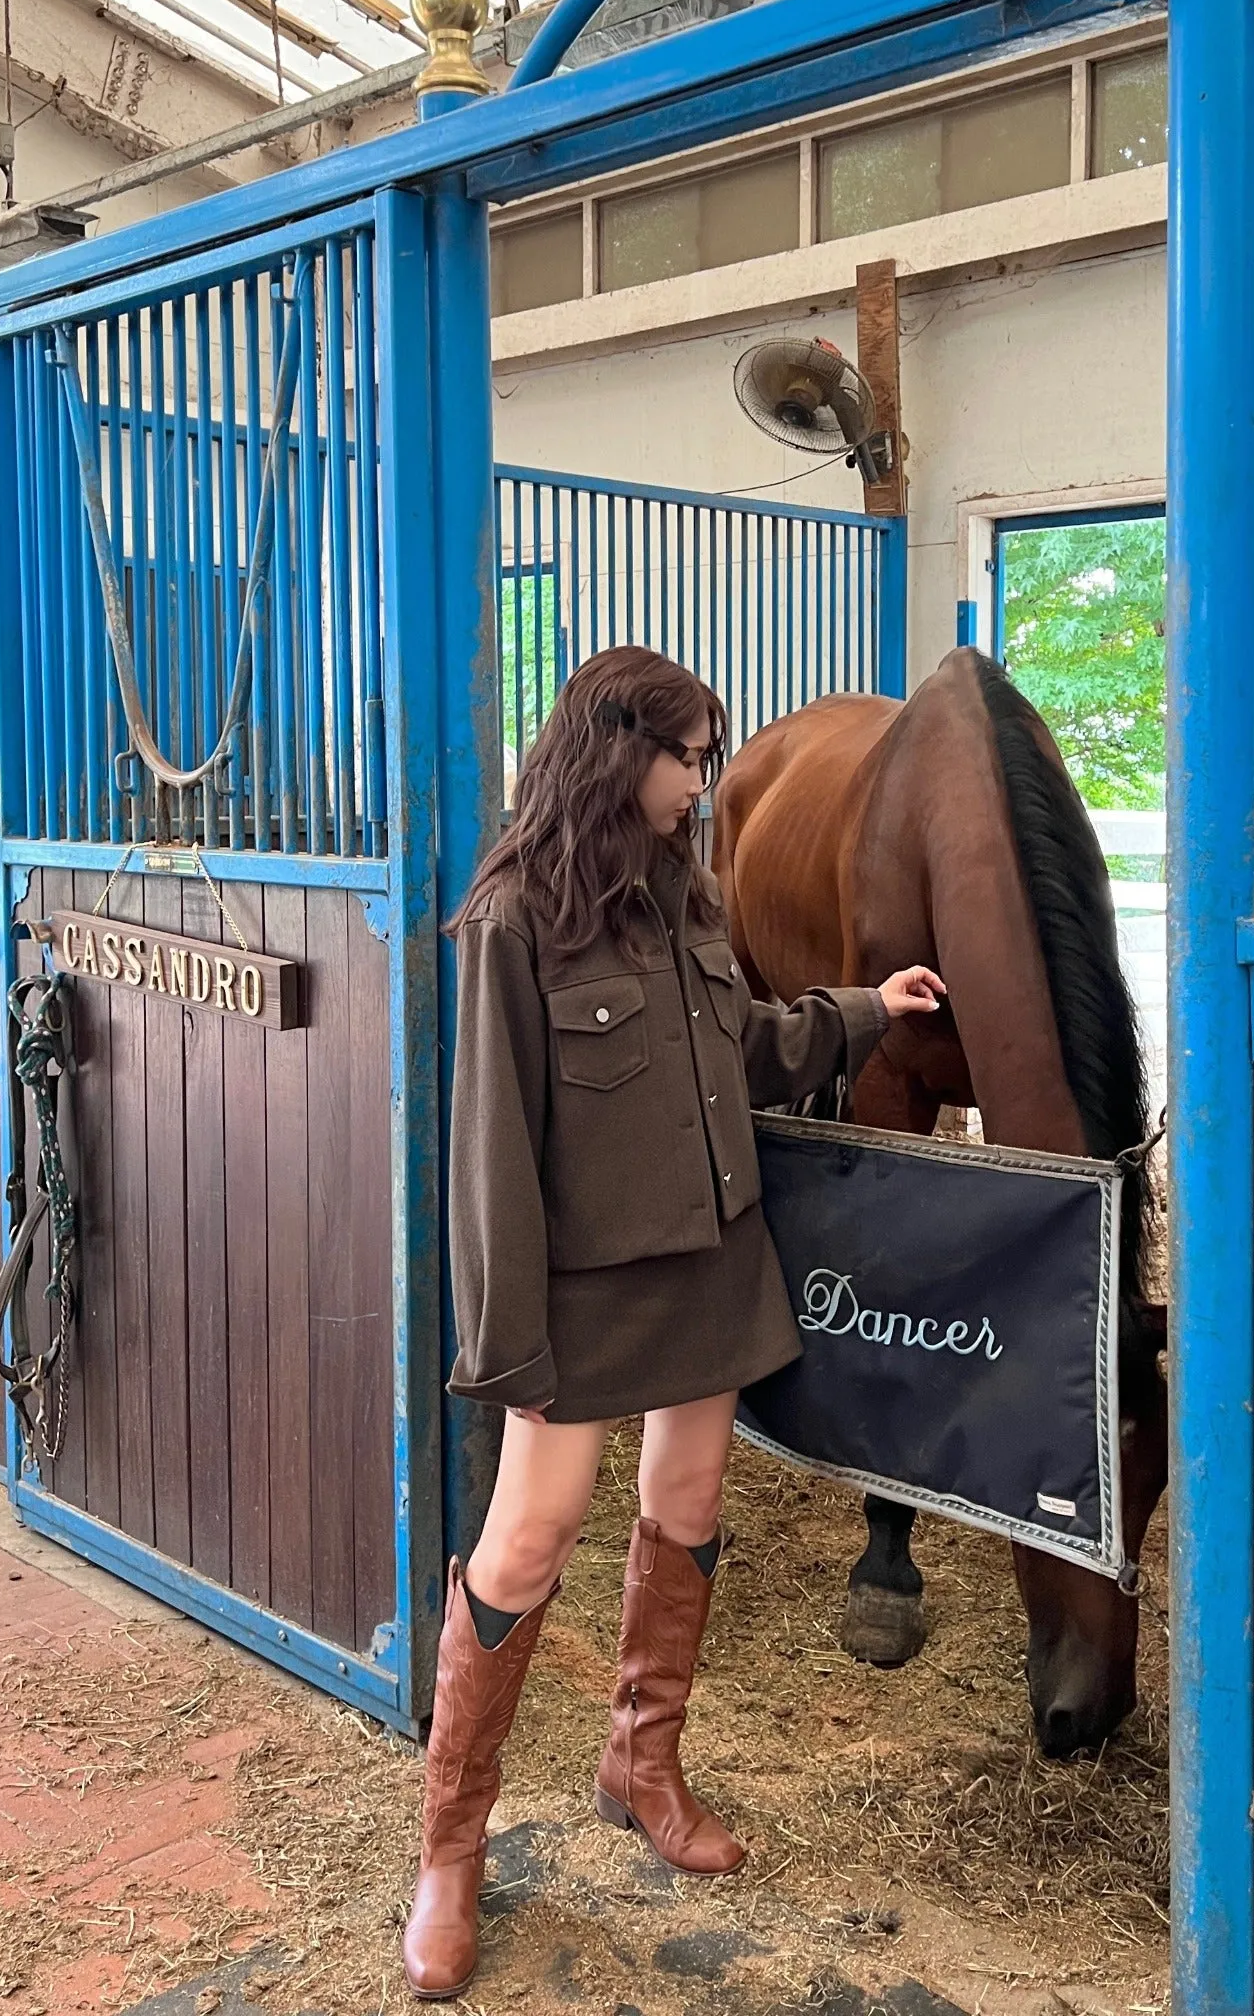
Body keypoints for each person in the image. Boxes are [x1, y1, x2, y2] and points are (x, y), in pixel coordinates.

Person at [401, 645, 946, 2000]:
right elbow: (491, 1156)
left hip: (713, 1265)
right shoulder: (516, 916)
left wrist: (868, 1012)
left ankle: (643, 1765)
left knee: (688, 1504)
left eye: (708, 756)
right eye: (689, 754)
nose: (706, 778)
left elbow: (746, 1053)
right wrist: (510, 1343)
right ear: (615, 748)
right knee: (526, 1540)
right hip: (584, 1295)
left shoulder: (686, 895)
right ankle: (451, 1851)